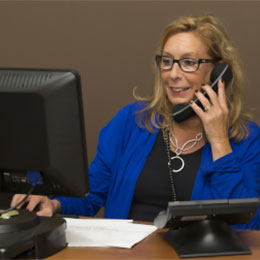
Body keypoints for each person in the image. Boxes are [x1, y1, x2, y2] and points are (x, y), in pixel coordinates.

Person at [11, 14, 260, 229]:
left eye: (188, 62)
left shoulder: (247, 139)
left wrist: (218, 141)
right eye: (167, 61)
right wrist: (54, 203)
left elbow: (248, 224)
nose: (173, 74)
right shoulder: (131, 122)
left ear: (219, 72)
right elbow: (91, 197)